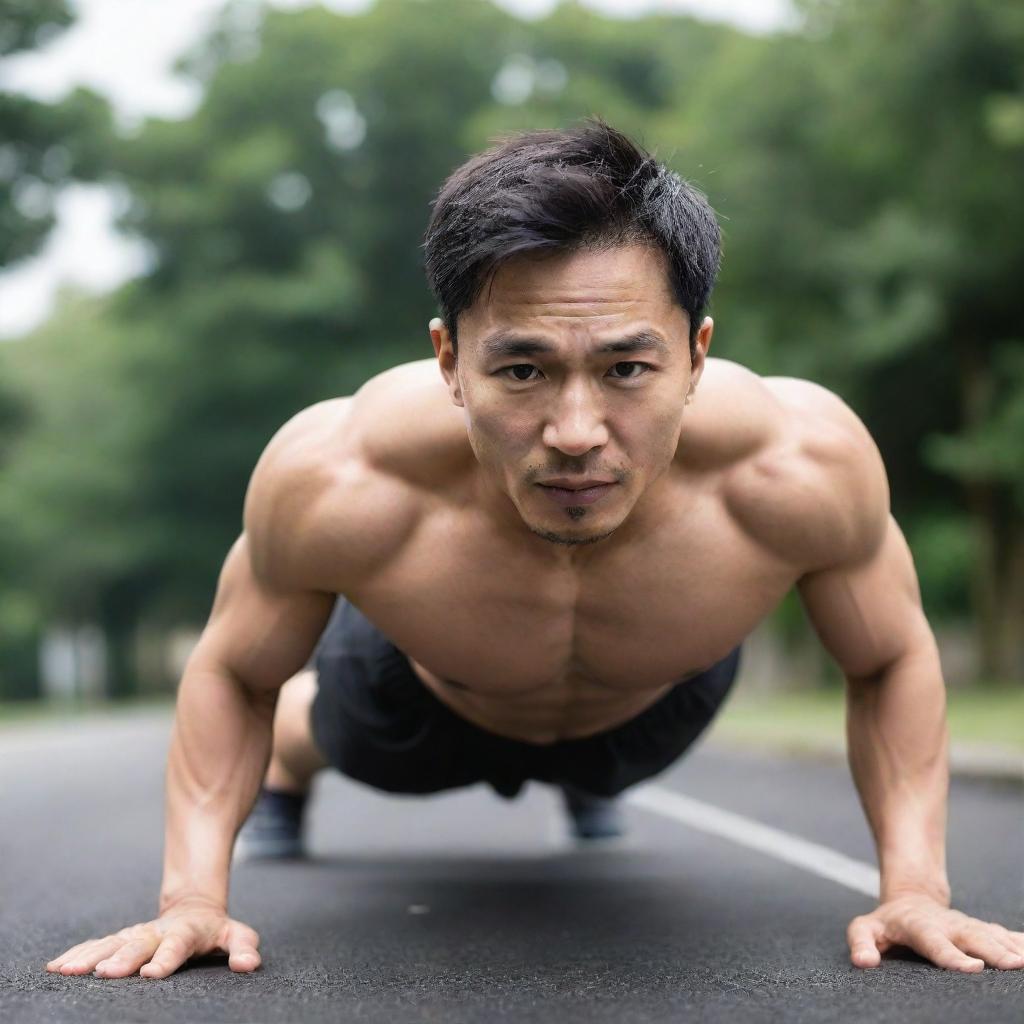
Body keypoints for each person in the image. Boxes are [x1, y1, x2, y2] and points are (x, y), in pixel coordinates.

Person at [46, 120, 1024, 982]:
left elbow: (890, 653)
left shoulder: (798, 464)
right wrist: (192, 901)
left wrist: (915, 889)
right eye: (520, 367)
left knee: (603, 761)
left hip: (650, 710)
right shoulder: (341, 475)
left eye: (626, 368)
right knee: (310, 724)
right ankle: (301, 776)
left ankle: (586, 780)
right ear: (447, 363)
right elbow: (233, 667)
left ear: (697, 354)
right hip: (418, 701)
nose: (573, 430)